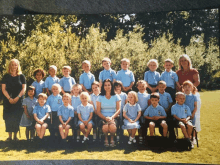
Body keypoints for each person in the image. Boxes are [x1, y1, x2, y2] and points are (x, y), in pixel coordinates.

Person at [1, 59, 26, 141]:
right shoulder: (6, 76)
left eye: (15, 65)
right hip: (8, 100)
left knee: (17, 117)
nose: (14, 66)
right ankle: (9, 136)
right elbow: (3, 89)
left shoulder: (21, 76)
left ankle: (15, 136)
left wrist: (17, 97)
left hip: (18, 100)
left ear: (18, 66)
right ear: (9, 66)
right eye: (12, 64)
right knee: (8, 117)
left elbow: (24, 88)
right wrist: (9, 98)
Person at [176, 54, 201, 133]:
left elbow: (197, 82)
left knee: (194, 114)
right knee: (185, 114)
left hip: (193, 94)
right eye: (181, 61)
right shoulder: (178, 72)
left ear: (188, 61)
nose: (183, 62)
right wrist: (182, 91)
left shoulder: (193, 71)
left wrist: (189, 89)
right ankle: (187, 134)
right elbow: (177, 84)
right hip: (183, 96)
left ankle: (194, 134)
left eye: (185, 60)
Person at [96, 79, 121, 147]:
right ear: (103, 87)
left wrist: (112, 117)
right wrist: (105, 118)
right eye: (105, 85)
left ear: (111, 86)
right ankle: (106, 139)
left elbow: (118, 110)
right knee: (105, 126)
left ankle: (112, 139)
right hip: (102, 117)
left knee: (112, 126)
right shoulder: (100, 97)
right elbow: (98, 111)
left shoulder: (116, 96)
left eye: (109, 85)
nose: (107, 87)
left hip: (114, 117)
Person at [182, 80, 197, 145]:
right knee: (186, 126)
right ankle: (187, 138)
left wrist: (193, 114)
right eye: (185, 87)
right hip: (184, 114)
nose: (187, 88)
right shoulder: (182, 96)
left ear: (191, 88)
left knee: (193, 126)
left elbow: (196, 106)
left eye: (189, 87)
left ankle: (193, 138)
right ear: (183, 88)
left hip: (192, 114)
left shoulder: (194, 96)